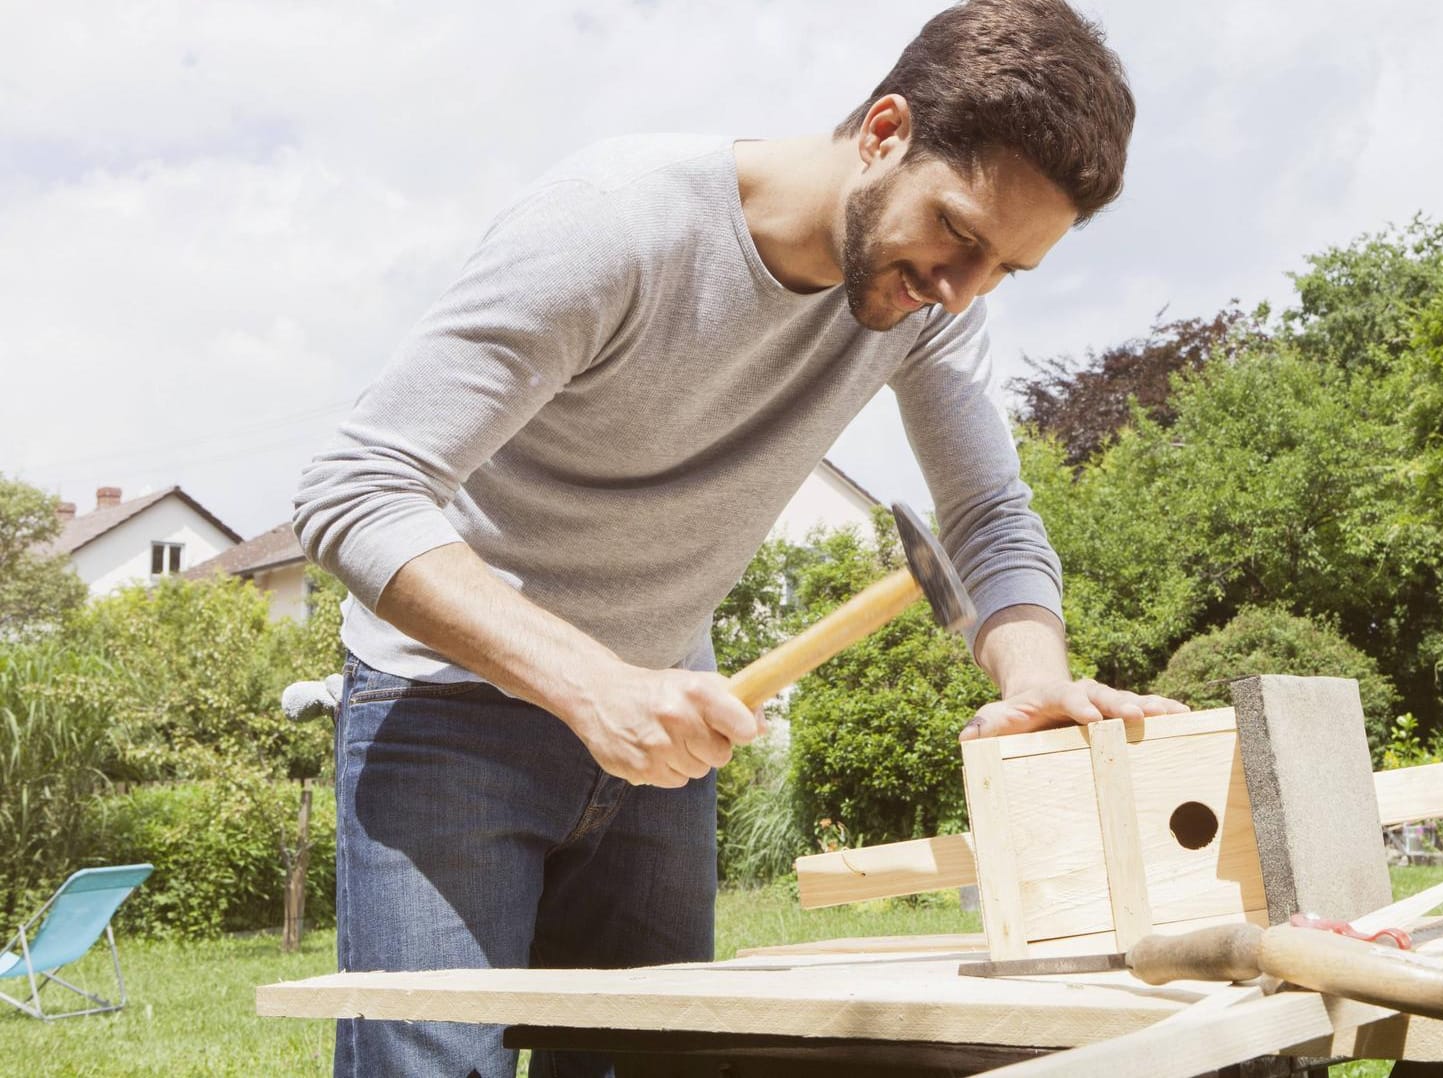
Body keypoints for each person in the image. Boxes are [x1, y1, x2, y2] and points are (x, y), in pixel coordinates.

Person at [292, 1, 1184, 1074]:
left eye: (1005, 268)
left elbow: (989, 517)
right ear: (886, 131)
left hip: (667, 733)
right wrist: (593, 685)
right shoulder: (620, 222)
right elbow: (356, 486)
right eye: (955, 231)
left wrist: (1035, 676)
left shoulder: (937, 308)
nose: (961, 288)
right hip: (448, 711)